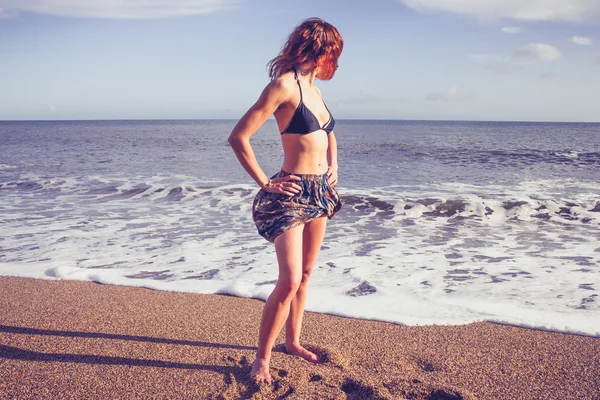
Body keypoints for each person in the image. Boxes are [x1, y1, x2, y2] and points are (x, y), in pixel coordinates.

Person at [227, 18, 344, 383]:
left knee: (306, 275)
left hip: (319, 191)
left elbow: (328, 135)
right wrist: (266, 182)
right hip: (290, 193)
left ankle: (292, 341)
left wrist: (333, 166)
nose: (334, 61)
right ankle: (261, 358)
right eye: (332, 52)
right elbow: (238, 137)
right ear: (319, 50)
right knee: (290, 279)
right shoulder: (283, 86)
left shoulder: (315, 90)